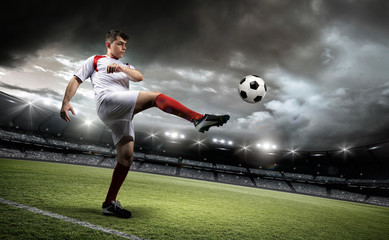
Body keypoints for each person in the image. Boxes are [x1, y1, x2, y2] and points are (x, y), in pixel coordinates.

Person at [60, 29, 230, 218]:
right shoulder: (95, 60)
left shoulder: (126, 65)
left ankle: (109, 203)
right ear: (108, 45)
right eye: (119, 43)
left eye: (125, 44)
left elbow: (139, 77)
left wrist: (121, 68)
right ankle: (197, 118)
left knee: (126, 159)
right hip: (108, 102)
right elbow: (76, 79)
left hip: (121, 114)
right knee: (156, 97)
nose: (123, 47)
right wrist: (66, 102)